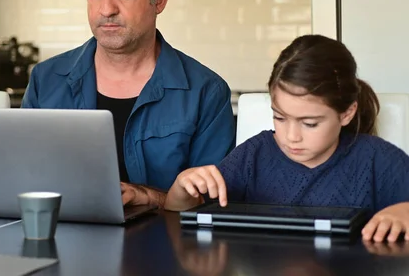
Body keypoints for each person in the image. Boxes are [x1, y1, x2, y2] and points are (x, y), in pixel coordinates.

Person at [22, 0, 235, 208]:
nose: (106, 9)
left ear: (158, 0)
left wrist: (147, 197)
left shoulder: (207, 92)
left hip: (164, 246)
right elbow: (25, 177)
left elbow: (211, 202)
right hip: (63, 241)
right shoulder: (45, 80)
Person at [165, 34, 409, 242]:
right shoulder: (254, 155)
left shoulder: (378, 159)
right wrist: (181, 191)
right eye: (280, 118)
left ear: (346, 113)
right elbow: (180, 222)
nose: (291, 137)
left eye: (309, 123)